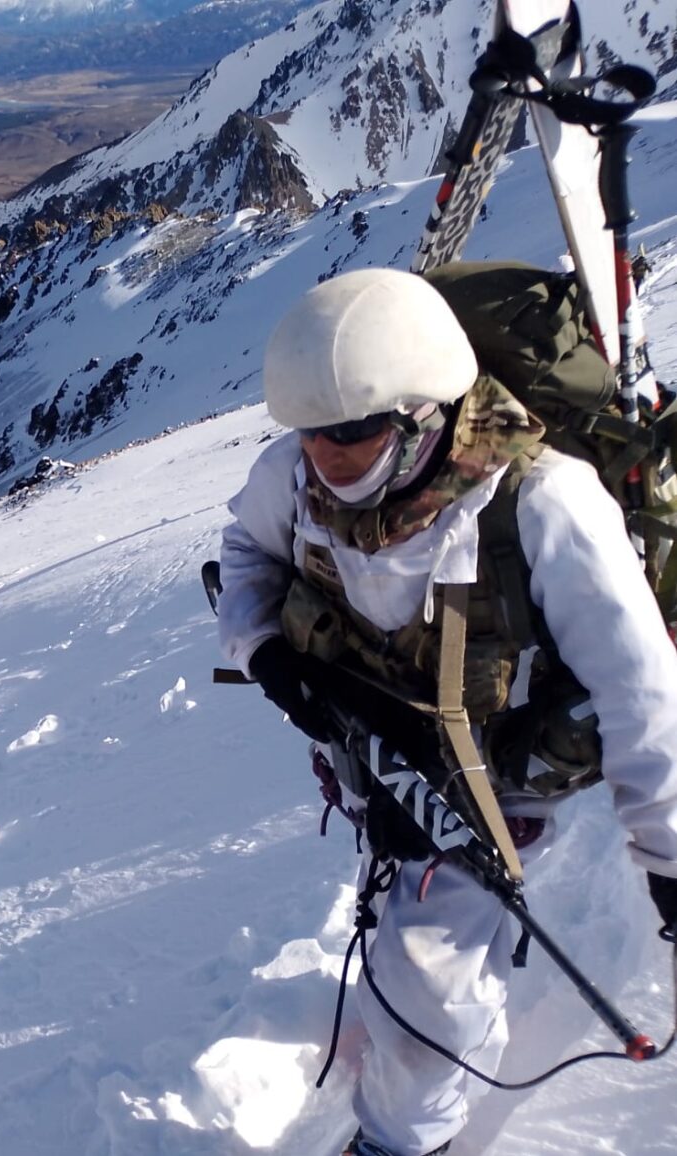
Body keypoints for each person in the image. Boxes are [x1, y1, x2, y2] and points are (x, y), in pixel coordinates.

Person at [216, 267, 677, 1156]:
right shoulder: (300, 478)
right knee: (413, 932)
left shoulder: (539, 502)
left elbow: (640, 686)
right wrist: (265, 652)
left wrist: (668, 855)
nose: (326, 456)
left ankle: (401, 1138)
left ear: (424, 411)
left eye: (352, 433)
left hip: (498, 781)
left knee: (432, 989)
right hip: (377, 760)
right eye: (313, 433)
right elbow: (246, 554)